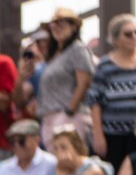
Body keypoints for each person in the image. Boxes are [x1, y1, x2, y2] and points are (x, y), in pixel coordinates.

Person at [89, 13, 136, 170]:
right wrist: (98, 136)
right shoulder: (105, 65)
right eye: (128, 34)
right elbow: (94, 100)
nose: (134, 37)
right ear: (115, 39)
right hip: (112, 136)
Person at [37, 8, 95, 145]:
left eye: (61, 24)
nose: (56, 28)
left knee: (69, 161)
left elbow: (84, 82)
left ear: (74, 27)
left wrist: (69, 112)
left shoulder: (78, 49)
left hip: (67, 117)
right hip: (50, 117)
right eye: (53, 25)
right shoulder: (55, 55)